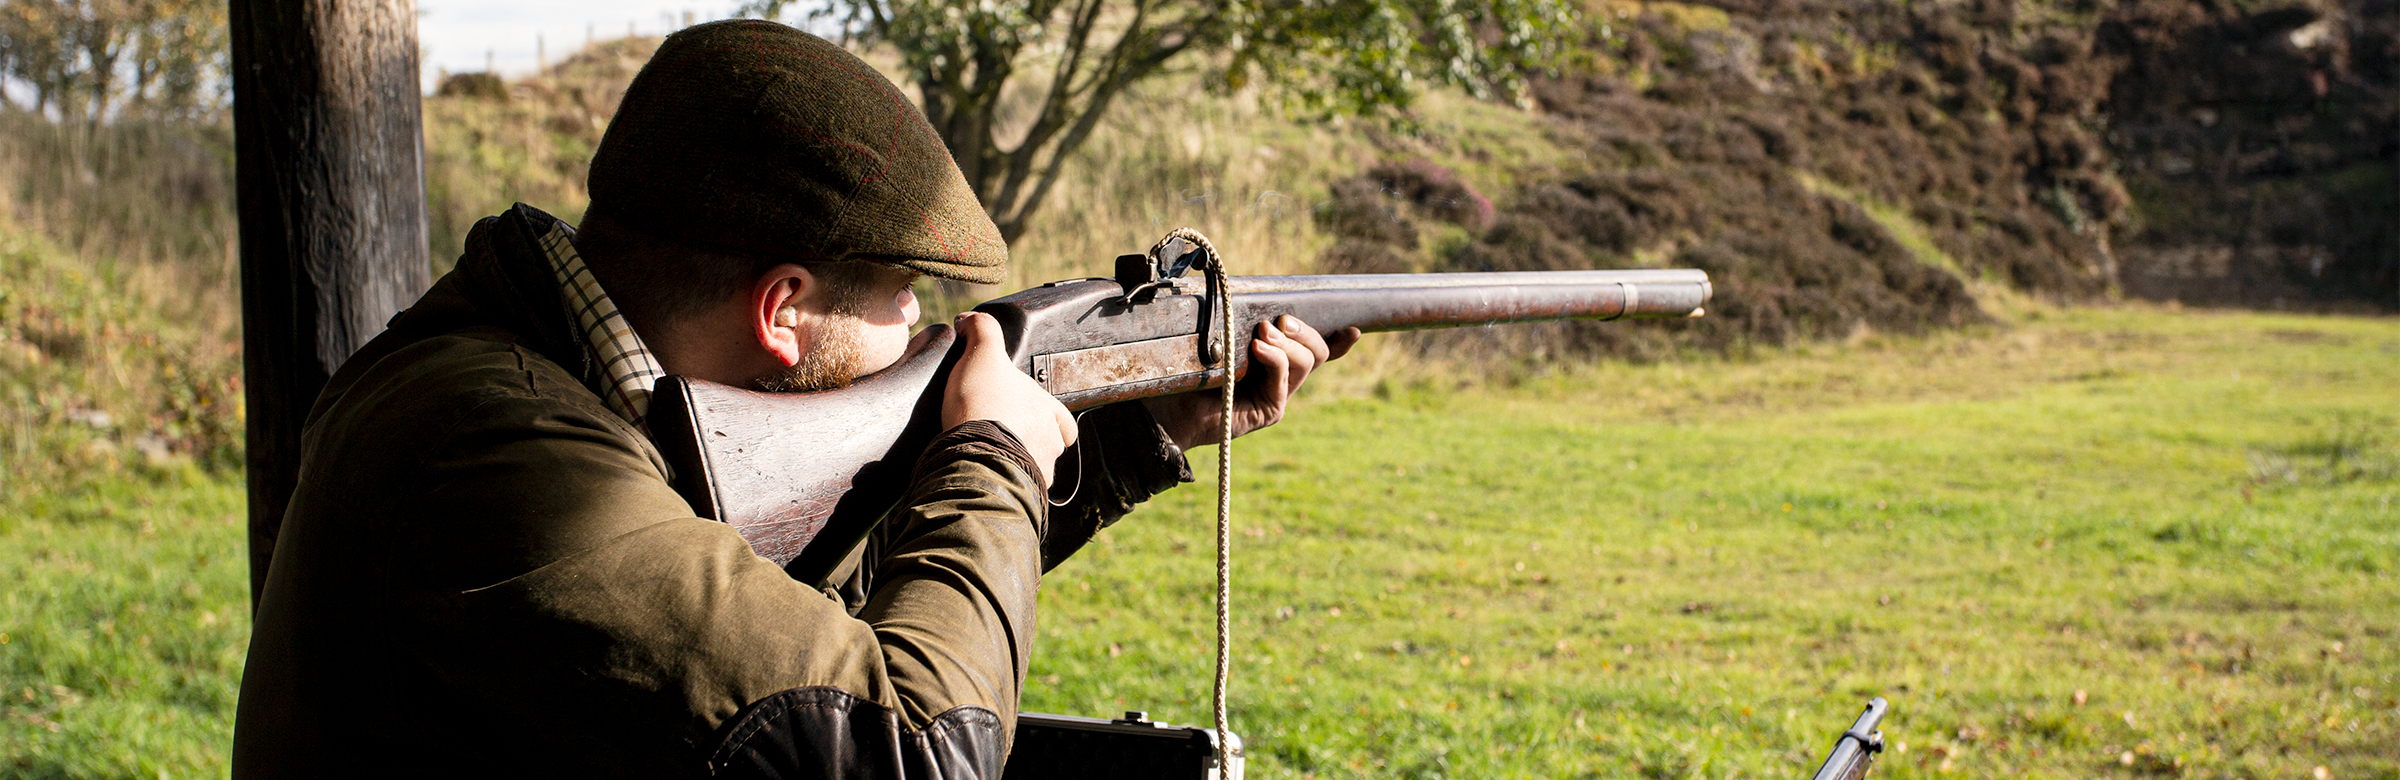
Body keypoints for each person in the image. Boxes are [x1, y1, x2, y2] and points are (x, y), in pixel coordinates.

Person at [230, 19, 1358, 779]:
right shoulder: (491, 454)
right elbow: (917, 749)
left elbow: (819, 617)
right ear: (782, 308)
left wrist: (1135, 435)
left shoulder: (559, 385)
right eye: (904, 298)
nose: (920, 333)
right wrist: (991, 455)